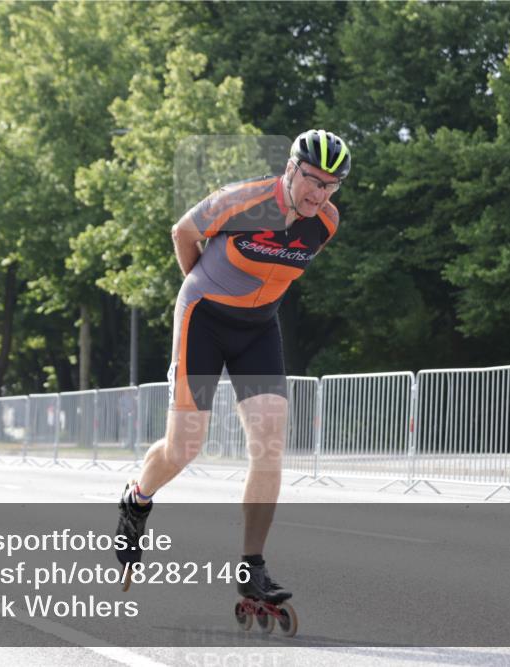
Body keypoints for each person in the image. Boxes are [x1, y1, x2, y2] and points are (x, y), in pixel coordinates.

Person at [116, 129, 351, 603]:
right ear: (290, 168)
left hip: (259, 328)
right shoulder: (242, 201)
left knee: (269, 447)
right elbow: (183, 232)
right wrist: (200, 281)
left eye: (330, 185)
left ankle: (253, 568)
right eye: (311, 180)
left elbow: (282, 268)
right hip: (204, 318)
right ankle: (136, 499)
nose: (318, 193)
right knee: (185, 447)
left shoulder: (325, 223)